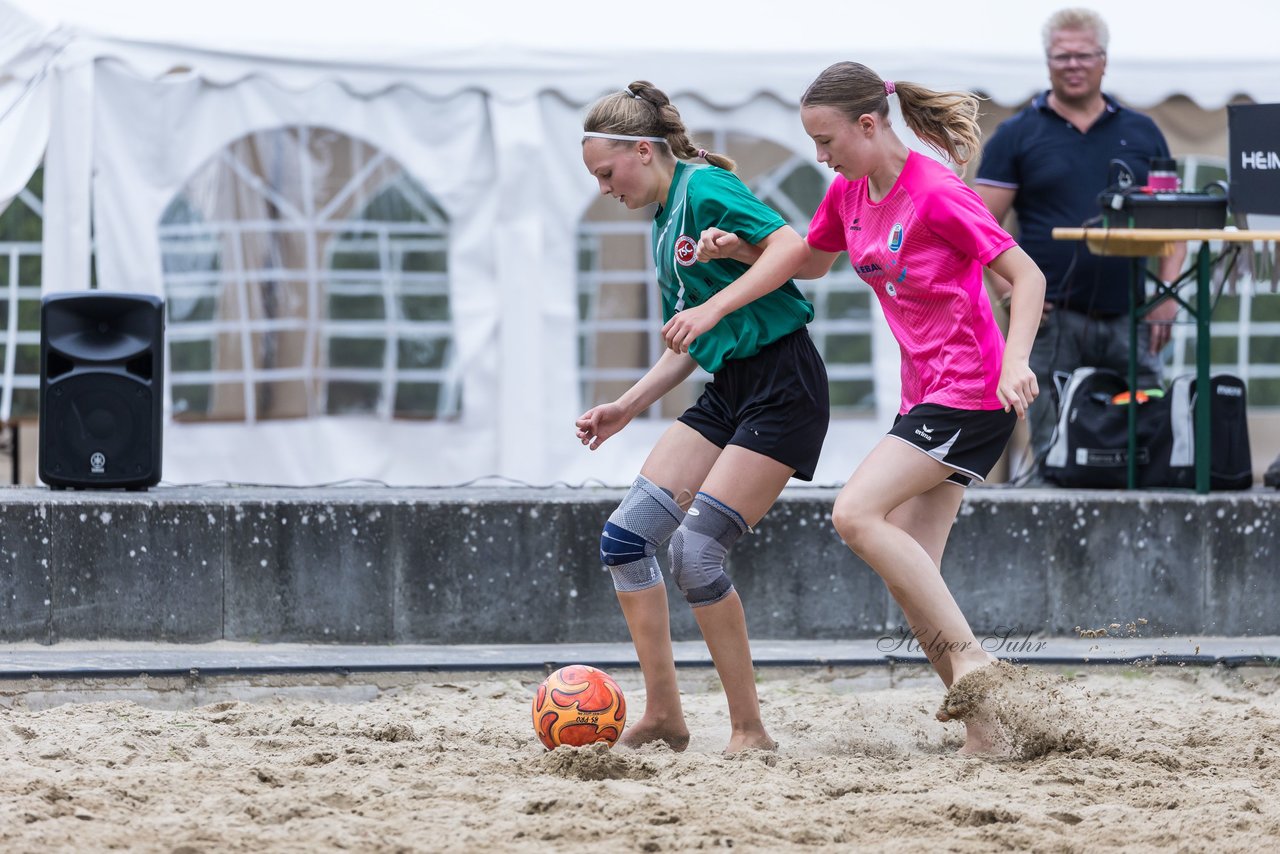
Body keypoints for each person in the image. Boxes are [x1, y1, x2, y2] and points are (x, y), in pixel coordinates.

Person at [700, 62, 1045, 754]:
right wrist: (740, 249)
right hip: (929, 393)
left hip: (973, 390)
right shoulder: (851, 193)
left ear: (868, 123)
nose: (820, 157)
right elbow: (812, 258)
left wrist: (1015, 361)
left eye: (826, 141)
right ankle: (988, 734)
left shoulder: (936, 192)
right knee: (911, 576)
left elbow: (1024, 275)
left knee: (854, 513)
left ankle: (975, 663)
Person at [576, 81, 830, 754]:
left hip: (786, 385)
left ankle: (750, 731)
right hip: (731, 386)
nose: (604, 188)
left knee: (695, 551)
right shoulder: (664, 222)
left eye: (606, 173)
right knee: (627, 541)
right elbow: (687, 339)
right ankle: (665, 715)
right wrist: (626, 407)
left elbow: (795, 252)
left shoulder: (706, 189)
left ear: (641, 150)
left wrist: (715, 308)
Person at [975, 7, 1186, 482]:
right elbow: (982, 227)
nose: (1073, 64)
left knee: (1144, 448)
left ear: (1104, 60)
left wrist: (1167, 298)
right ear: (1048, 61)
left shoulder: (1142, 131)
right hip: (1051, 320)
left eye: (1083, 55)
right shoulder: (1017, 134)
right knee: (1056, 456)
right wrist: (1010, 291)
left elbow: (1173, 227)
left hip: (1134, 316)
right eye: (1062, 55)